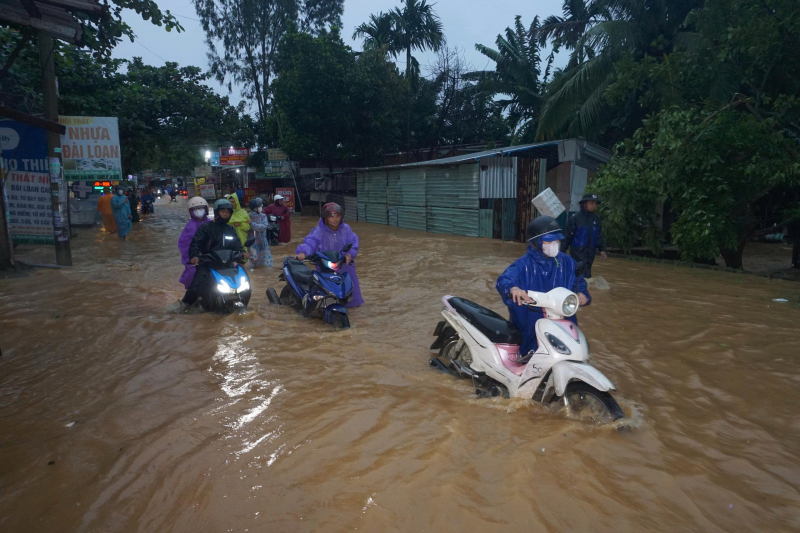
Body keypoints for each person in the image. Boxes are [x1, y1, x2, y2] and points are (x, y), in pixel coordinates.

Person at [496, 216, 591, 361]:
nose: (554, 244)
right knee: (529, 356)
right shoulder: (523, 264)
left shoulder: (566, 262)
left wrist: (582, 293)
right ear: (536, 242)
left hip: (562, 318)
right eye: (548, 241)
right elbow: (504, 280)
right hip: (530, 320)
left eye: (557, 241)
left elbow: (579, 281)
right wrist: (513, 289)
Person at [182, 199, 249, 306]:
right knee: (197, 284)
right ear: (217, 212)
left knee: (244, 284)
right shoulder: (206, 227)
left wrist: (242, 252)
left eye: (228, 212)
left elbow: (236, 244)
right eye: (223, 211)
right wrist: (194, 255)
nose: (225, 214)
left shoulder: (230, 229)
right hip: (208, 264)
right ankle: (184, 306)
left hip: (227, 264)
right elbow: (196, 242)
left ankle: (243, 301)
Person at [295, 202, 363, 307]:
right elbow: (310, 242)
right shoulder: (318, 231)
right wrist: (303, 252)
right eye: (331, 216)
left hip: (345, 266)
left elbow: (354, 242)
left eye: (337, 216)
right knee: (322, 299)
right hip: (325, 267)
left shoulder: (346, 229)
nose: (335, 219)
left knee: (353, 301)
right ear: (325, 218)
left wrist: (349, 254)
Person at [561, 193, 606, 278]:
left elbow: (599, 235)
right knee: (579, 273)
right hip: (577, 252)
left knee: (587, 274)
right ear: (585, 204)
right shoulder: (575, 218)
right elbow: (567, 237)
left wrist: (602, 250)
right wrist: (561, 252)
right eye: (592, 203)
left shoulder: (596, 219)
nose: (594, 206)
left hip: (591, 252)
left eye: (595, 204)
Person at [178, 197, 212, 291]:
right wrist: (192, 256)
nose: (198, 211)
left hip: (212, 255)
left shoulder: (211, 223)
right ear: (191, 211)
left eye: (201, 208)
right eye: (195, 209)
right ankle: (192, 294)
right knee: (193, 273)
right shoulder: (189, 226)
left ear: (206, 209)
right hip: (196, 257)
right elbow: (183, 244)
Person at [247, 197, 273, 269]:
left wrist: (252, 224)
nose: (261, 208)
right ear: (255, 208)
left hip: (261, 242)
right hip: (251, 242)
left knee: (261, 263)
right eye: (260, 206)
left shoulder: (263, 216)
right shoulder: (248, 216)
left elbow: (264, 227)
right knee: (254, 260)